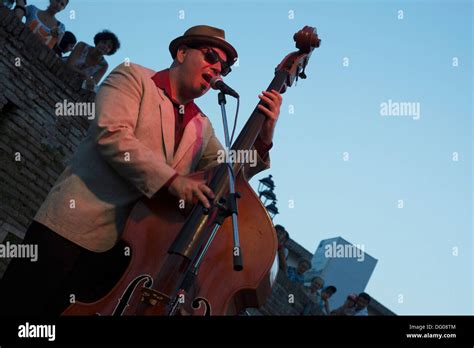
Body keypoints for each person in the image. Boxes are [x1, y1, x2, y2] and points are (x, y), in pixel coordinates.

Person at [0, 25, 282, 317]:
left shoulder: (202, 126)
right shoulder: (132, 77)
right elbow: (112, 134)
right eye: (210, 56)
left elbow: (228, 178)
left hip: (127, 258)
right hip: (72, 231)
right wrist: (172, 181)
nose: (216, 69)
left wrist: (263, 139)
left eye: (223, 67)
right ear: (182, 53)